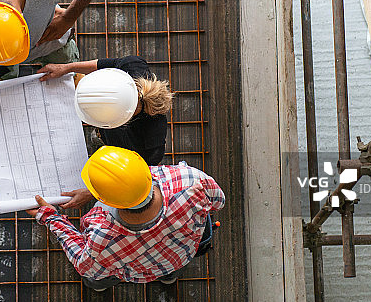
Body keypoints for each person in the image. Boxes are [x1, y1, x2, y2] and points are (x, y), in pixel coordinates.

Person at [26, 145, 224, 290]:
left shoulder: (101, 234)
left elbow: (86, 266)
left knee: (96, 279)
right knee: (171, 270)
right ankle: (169, 277)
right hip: (179, 256)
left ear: (103, 200)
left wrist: (51, 217)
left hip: (136, 270)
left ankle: (101, 287)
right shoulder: (188, 180)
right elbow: (218, 201)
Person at [37, 56, 173, 208]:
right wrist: (67, 68)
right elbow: (106, 64)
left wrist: (91, 193)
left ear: (117, 122)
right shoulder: (132, 68)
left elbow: (134, 177)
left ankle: (101, 140)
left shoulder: (149, 144)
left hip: (122, 155)